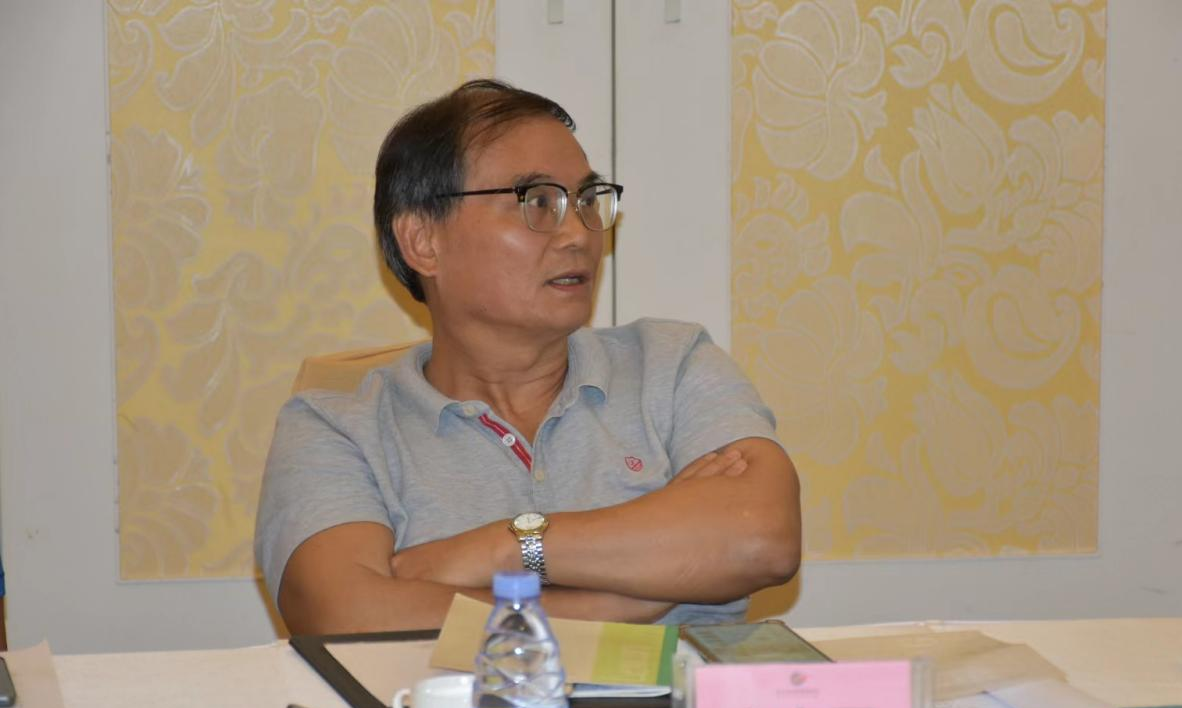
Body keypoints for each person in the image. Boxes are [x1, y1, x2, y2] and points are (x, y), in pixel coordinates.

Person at [255, 79, 801, 635]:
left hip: (682, 694)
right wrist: (620, 603)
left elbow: (762, 537)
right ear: (423, 241)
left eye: (587, 201)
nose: (579, 234)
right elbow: (347, 615)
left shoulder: (673, 364)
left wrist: (509, 546)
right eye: (538, 202)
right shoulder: (336, 428)